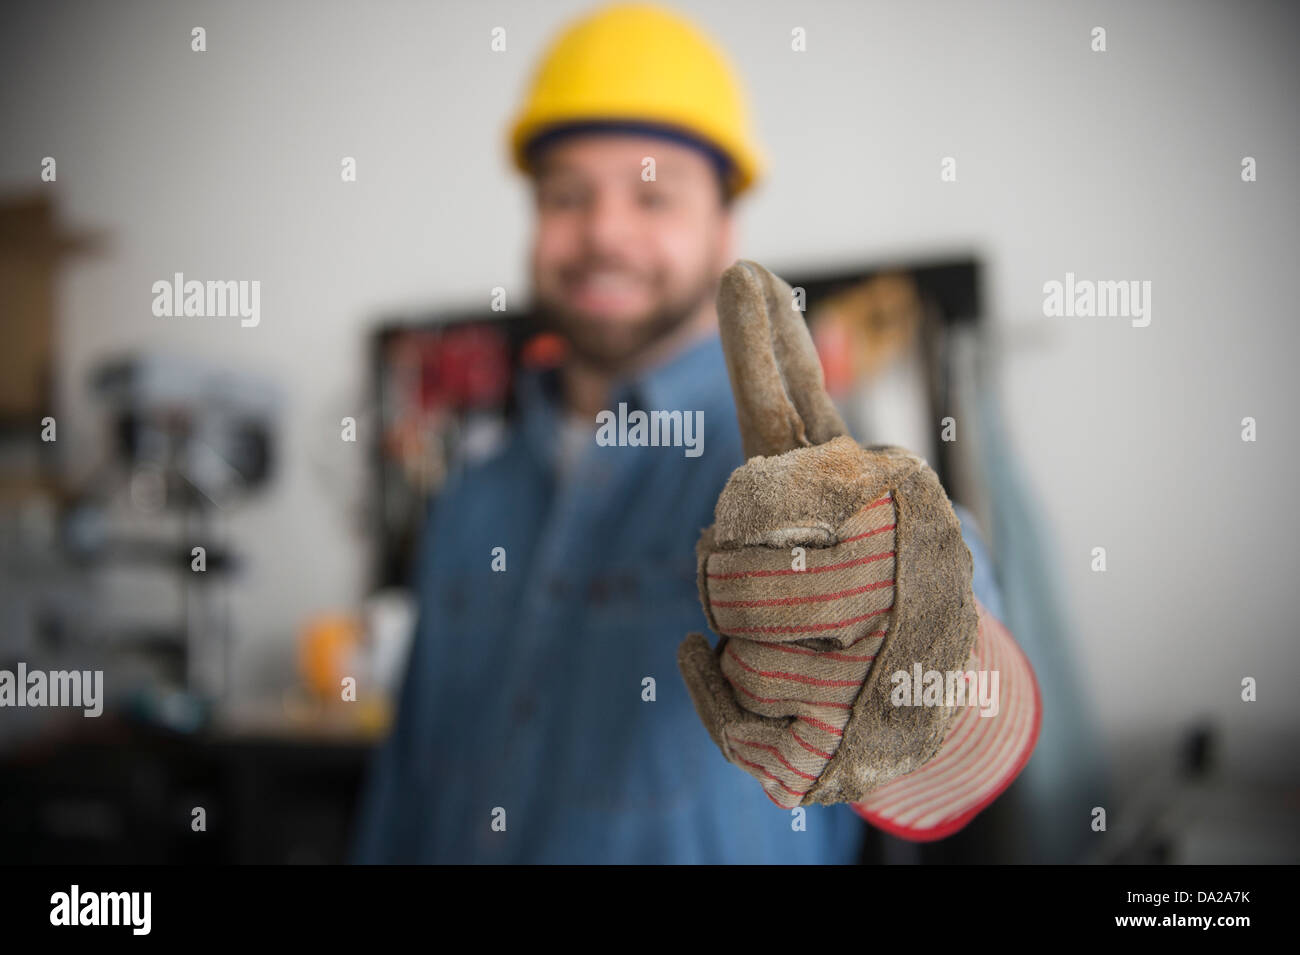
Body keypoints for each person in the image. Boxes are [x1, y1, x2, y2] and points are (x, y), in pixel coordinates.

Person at [352, 2, 1036, 864]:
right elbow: (404, 790)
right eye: (568, 195)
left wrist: (902, 619)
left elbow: (964, 720)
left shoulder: (799, 478)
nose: (603, 230)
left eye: (651, 194)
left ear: (724, 228)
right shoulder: (470, 496)